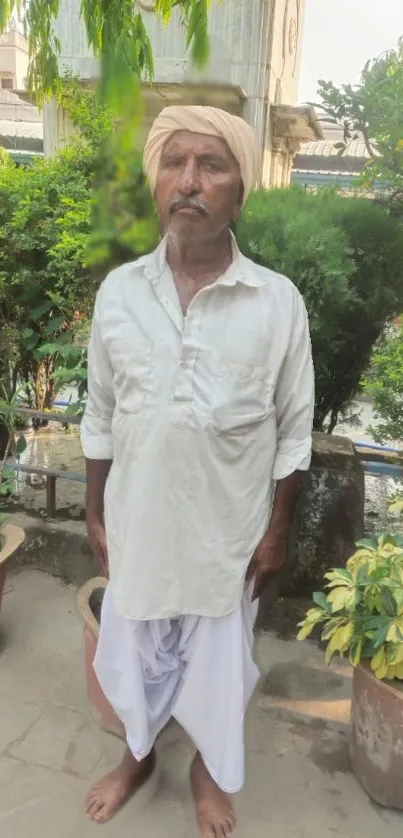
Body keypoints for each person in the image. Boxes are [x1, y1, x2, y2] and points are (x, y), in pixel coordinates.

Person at [80, 105, 315, 837]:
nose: (189, 180)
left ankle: (207, 773)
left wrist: (275, 532)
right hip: (139, 527)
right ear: (156, 184)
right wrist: (93, 512)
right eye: (174, 162)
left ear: (240, 191)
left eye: (211, 166)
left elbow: (293, 430)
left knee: (218, 672)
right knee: (133, 660)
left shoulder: (276, 303)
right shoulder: (119, 293)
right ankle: (138, 757)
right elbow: (99, 413)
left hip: (227, 537)